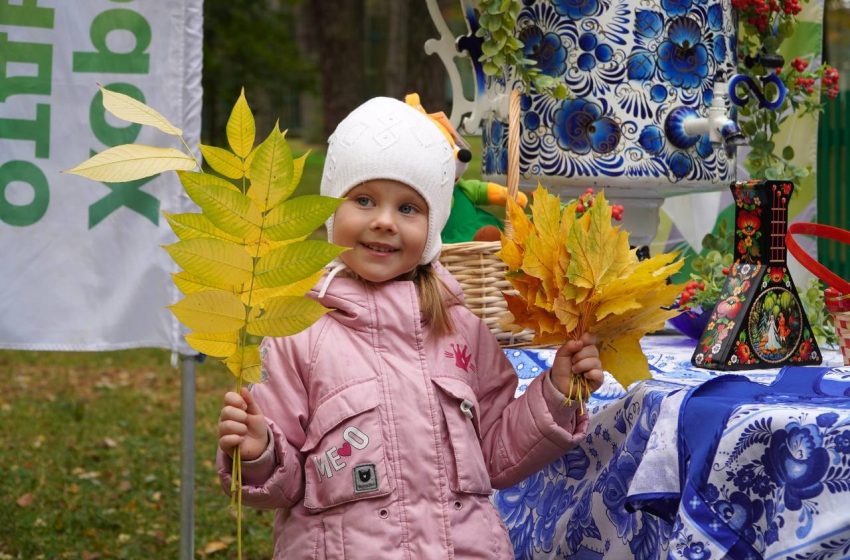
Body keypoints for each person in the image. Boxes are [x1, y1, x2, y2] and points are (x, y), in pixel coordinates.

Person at [217, 96, 604, 559]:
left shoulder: (460, 328)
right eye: (363, 200)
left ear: (433, 227)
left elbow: (497, 454)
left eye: (408, 209)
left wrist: (556, 394)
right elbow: (282, 485)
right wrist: (258, 451)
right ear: (330, 213)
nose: (383, 221)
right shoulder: (299, 332)